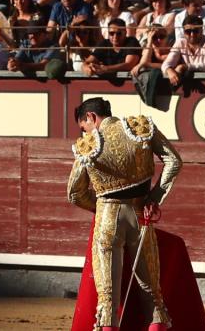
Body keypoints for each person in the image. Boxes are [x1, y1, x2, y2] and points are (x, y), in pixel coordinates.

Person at [67, 97, 182, 331]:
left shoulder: (89, 144)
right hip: (141, 214)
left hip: (108, 219)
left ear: (90, 117)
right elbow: (174, 161)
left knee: (107, 299)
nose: (84, 133)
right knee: (153, 297)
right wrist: (154, 197)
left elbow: (74, 193)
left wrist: (99, 207)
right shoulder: (140, 128)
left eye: (84, 126)